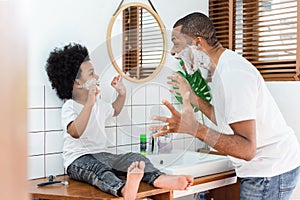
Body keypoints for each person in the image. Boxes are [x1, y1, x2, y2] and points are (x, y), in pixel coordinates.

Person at [150, 12, 300, 200]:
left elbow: (246, 149)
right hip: (265, 169)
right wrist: (192, 97)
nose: (172, 52)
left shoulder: (233, 73)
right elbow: (225, 120)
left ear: (197, 43)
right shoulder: (223, 69)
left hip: (269, 171)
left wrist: (194, 128)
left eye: (177, 43)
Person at [45, 43, 193, 200]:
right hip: (78, 160)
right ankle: (124, 190)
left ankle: (159, 178)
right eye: (92, 73)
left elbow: (115, 110)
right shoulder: (70, 106)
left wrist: (121, 93)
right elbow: (75, 132)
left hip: (103, 155)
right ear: (77, 83)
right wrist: (89, 103)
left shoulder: (99, 103)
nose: (96, 77)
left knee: (135, 158)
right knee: (99, 171)